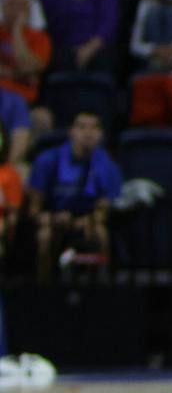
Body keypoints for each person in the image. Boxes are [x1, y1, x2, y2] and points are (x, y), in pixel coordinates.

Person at [28, 111, 120, 282]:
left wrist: (84, 221)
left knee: (100, 233)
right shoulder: (47, 161)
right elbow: (34, 209)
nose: (88, 133)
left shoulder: (108, 166)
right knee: (44, 236)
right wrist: (52, 218)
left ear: (101, 134)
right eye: (82, 126)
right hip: (54, 220)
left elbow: (104, 209)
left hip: (88, 221)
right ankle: (43, 288)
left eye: (94, 127)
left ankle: (102, 287)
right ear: (71, 131)